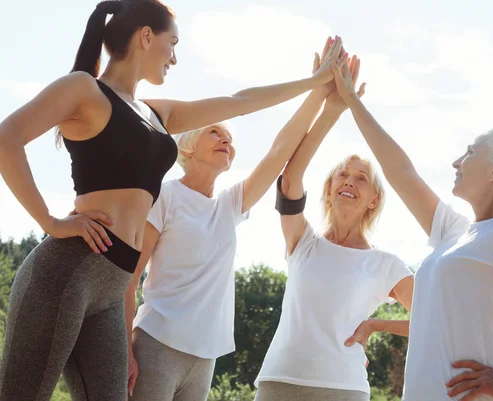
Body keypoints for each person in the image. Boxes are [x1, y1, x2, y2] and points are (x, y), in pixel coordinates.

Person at [0, 0, 343, 397]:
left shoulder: (155, 114)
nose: (175, 58)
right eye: (172, 44)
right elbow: (7, 137)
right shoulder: (83, 89)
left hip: (112, 289)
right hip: (67, 272)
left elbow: (241, 101)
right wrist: (51, 222)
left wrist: (314, 82)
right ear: (147, 36)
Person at [330, 57, 493, 400]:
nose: (457, 162)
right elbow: (401, 171)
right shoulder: (454, 233)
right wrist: (353, 101)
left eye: (470, 152)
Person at [125, 37, 346, 401]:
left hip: (205, 356)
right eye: (215, 131)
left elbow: (280, 152)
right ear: (188, 146)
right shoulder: (164, 195)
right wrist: (125, 348)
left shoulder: (229, 205)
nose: (226, 140)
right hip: (156, 344)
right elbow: (130, 278)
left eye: (230, 137)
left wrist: (321, 94)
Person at [253, 56, 414, 401]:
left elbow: (436, 318)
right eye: (342, 174)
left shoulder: (386, 265)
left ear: (373, 199)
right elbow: (289, 179)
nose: (349, 181)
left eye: (361, 179)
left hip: (343, 388)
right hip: (280, 380)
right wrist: (332, 110)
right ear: (328, 189)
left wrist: (376, 325)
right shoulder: (303, 242)